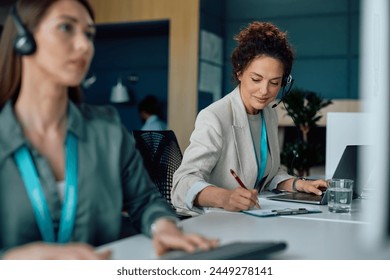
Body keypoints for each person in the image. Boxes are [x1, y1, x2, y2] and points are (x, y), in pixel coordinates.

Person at [0, 0, 217, 259]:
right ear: (24, 40)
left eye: (89, 34)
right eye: (66, 27)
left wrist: (163, 227)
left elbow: (145, 201)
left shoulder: (108, 129)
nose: (84, 45)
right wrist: (18, 260)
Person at [171, 21, 327, 215]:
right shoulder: (215, 117)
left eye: (274, 82)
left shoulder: (268, 114)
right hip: (215, 220)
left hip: (252, 217)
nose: (264, 91)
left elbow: (269, 175)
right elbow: (182, 183)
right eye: (256, 79)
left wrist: (299, 184)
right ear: (239, 72)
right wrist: (225, 198)